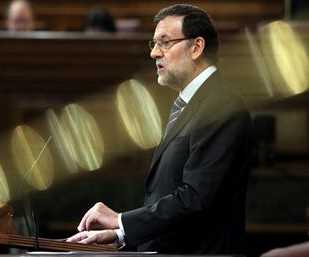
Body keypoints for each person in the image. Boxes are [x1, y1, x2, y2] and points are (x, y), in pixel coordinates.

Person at [67, 4, 252, 255]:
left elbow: (195, 200)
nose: (155, 53)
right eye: (153, 43)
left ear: (196, 47)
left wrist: (121, 220)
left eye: (165, 42)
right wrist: (121, 235)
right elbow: (171, 195)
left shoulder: (220, 106)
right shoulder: (193, 102)